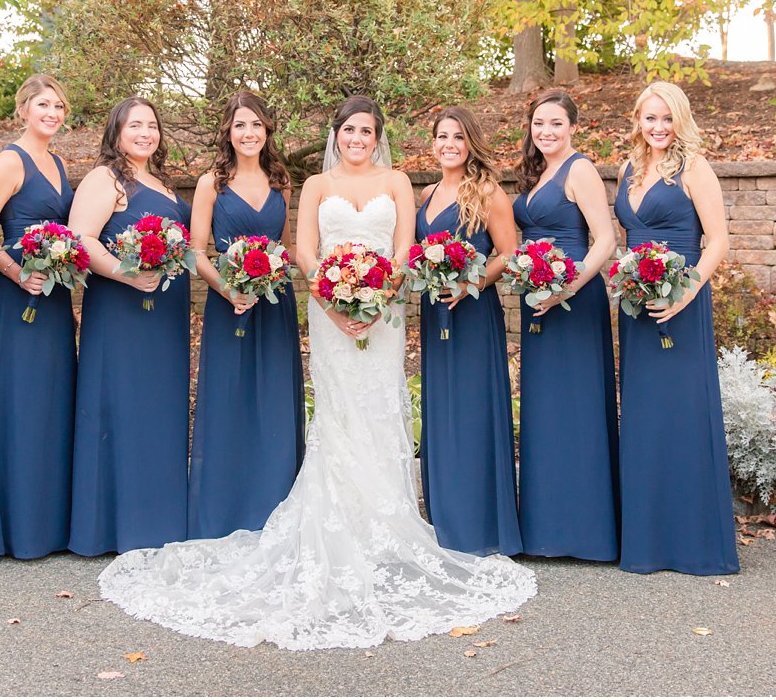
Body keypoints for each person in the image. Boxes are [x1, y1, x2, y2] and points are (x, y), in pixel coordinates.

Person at [97, 96, 535, 650]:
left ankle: (387, 518)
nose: (357, 138)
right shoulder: (313, 186)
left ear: (379, 137)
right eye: (349, 130)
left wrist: (378, 299)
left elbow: (404, 250)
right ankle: (336, 519)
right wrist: (331, 302)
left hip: (385, 310)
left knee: (378, 405)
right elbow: (304, 252)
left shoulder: (401, 181)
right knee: (338, 410)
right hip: (328, 310)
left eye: (366, 131)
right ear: (337, 135)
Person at [613, 82, 739, 576]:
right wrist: (627, 276)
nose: (658, 127)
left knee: (683, 411)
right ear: (638, 121)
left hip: (683, 301)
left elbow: (718, 241)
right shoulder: (628, 169)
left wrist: (686, 290)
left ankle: (695, 543)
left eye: (667, 118)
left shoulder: (695, 168)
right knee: (644, 415)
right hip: (638, 303)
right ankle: (646, 543)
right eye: (650, 118)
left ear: (680, 119)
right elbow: (628, 238)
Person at [67, 96, 192, 556]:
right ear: (116, 132)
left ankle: (157, 519)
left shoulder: (161, 182)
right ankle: (111, 526)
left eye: (152, 125)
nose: (145, 133)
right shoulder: (106, 178)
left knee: (159, 407)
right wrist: (127, 272)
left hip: (165, 315)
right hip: (121, 312)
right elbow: (80, 238)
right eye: (134, 125)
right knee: (119, 406)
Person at [0, 75, 77, 560]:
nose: (51, 113)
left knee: (51, 401)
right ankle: (11, 527)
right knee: (19, 401)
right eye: (42, 105)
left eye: (58, 106)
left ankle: (47, 521)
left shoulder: (57, 162)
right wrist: (15, 273)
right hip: (20, 298)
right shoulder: (10, 161)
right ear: (23, 110)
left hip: (54, 297)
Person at [187, 92, 304, 539]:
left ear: (267, 130)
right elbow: (197, 251)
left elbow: (289, 247)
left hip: (275, 305)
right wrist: (227, 287)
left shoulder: (281, 181)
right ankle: (225, 508)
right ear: (228, 132)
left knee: (274, 397)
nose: (249, 133)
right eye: (240, 125)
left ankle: (274, 506)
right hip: (229, 303)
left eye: (256, 125)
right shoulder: (210, 183)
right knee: (230, 396)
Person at [511, 89, 620, 561]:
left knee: (577, 404)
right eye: (539, 123)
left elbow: (606, 240)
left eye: (555, 123)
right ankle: (544, 529)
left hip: (574, 298)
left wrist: (567, 286)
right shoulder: (537, 173)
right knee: (545, 406)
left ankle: (586, 532)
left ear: (572, 126)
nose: (546, 132)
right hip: (537, 295)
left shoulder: (580, 169)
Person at [415, 107, 522, 556]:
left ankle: (480, 524)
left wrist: (469, 283)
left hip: (473, 312)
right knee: (442, 409)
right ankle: (445, 520)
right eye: (442, 136)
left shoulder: (487, 191)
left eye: (458, 137)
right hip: (433, 310)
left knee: (473, 409)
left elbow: (509, 251)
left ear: (470, 142)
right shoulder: (428, 191)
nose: (449, 145)